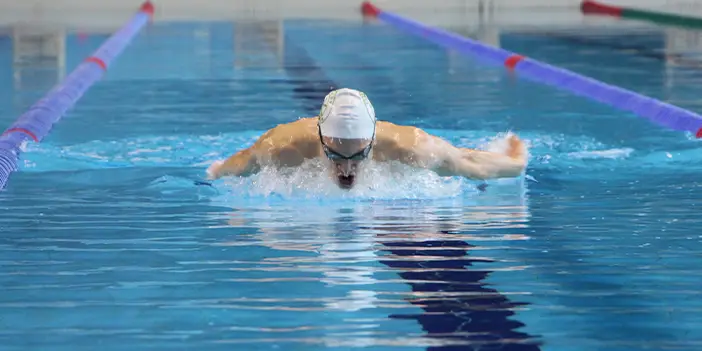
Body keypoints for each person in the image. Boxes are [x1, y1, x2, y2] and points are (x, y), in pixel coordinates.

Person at [206, 88, 527, 190]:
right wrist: (215, 173)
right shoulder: (282, 147)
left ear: (372, 142)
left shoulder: (409, 147)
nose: (346, 169)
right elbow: (240, 164)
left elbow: (470, 164)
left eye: (358, 156)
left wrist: (514, 163)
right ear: (320, 139)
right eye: (335, 156)